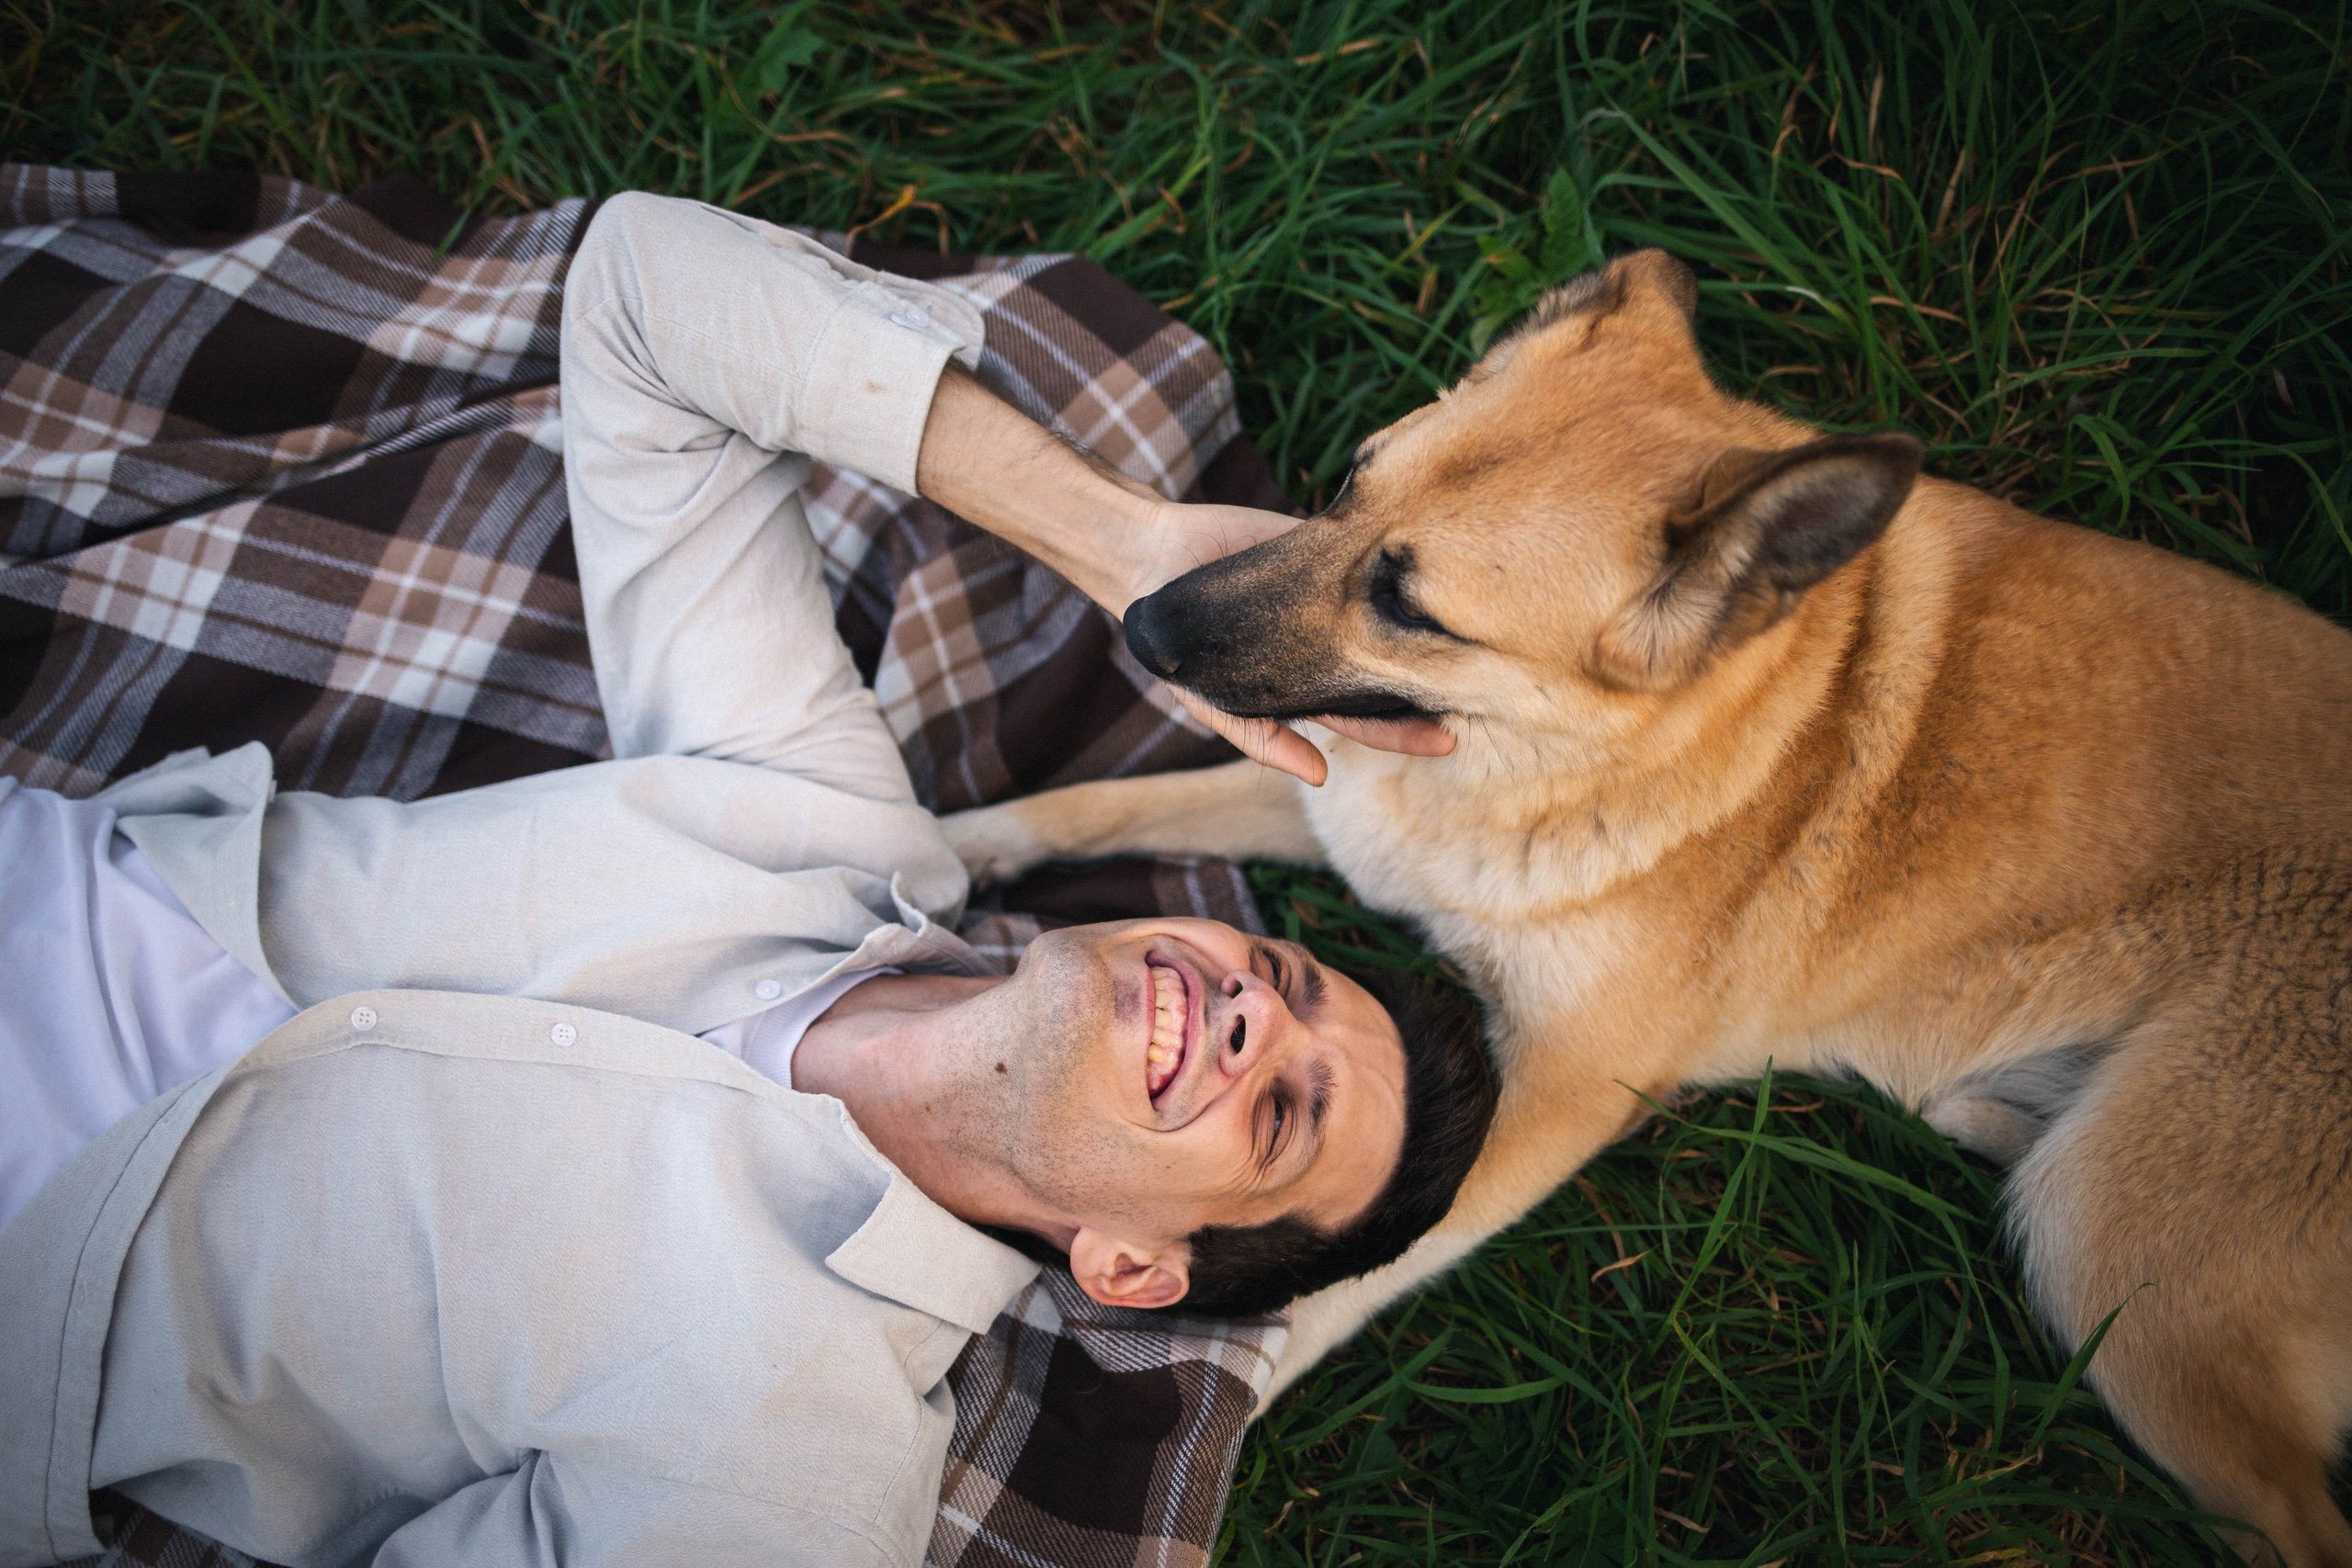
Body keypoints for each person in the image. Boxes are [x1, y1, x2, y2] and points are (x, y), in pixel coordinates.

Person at [0, 193, 1497, 1568]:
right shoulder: (817, 820)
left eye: (1279, 1110)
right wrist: (1130, 544)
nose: (1251, 1016)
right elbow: (644, 297)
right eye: (1289, 982)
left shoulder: (789, 1460)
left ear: (1129, 1269)